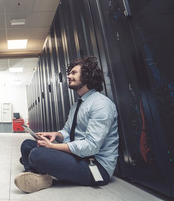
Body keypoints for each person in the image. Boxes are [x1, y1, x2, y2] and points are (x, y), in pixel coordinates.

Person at [15, 56, 119, 193]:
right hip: (78, 156)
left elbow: (91, 146)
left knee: (36, 154)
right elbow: (67, 131)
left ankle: (38, 171)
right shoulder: (78, 104)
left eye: (74, 73)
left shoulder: (101, 104)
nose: (68, 76)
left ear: (87, 75)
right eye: (69, 73)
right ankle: (40, 173)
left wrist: (52, 147)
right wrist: (55, 135)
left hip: (95, 165)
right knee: (27, 145)